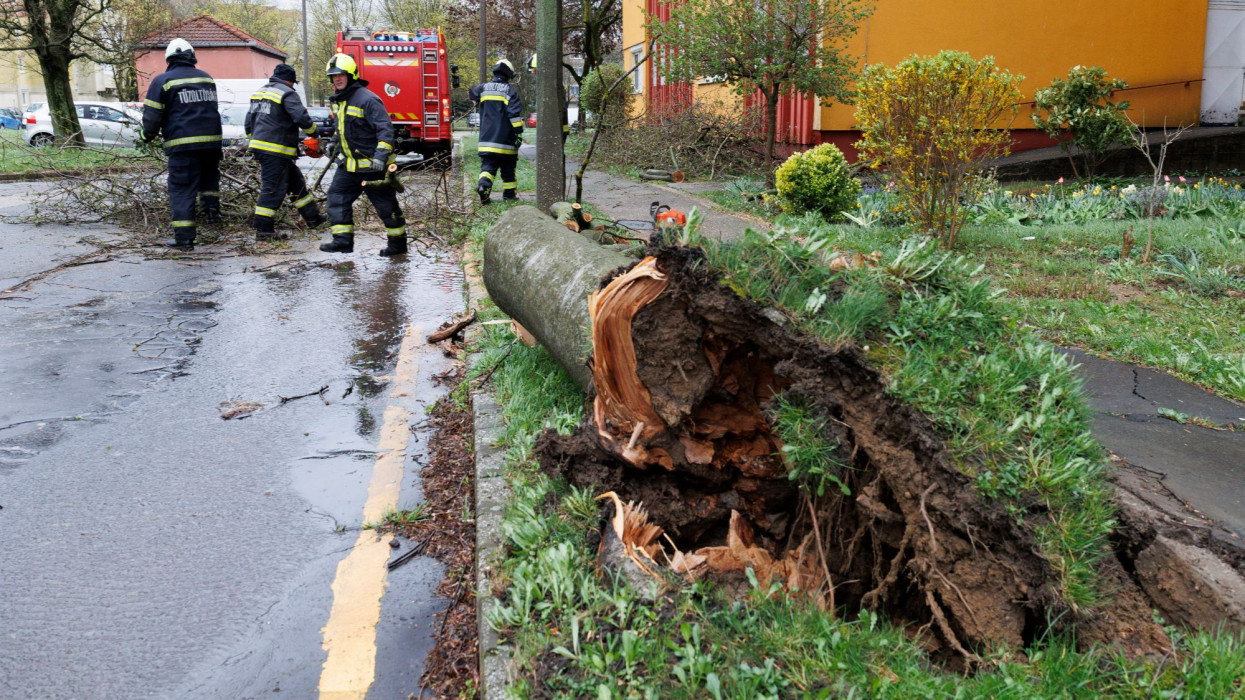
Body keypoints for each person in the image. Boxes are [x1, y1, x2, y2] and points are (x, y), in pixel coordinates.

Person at [319, 53, 408, 257]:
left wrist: (380, 157)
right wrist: (333, 142)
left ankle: (398, 245)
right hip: (349, 168)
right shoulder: (339, 101)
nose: (337, 79)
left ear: (351, 75)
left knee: (386, 207)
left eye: (341, 75)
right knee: (336, 198)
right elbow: (340, 128)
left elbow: (385, 130)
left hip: (372, 168)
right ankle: (342, 241)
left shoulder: (367, 99)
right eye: (333, 76)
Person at [141, 38, 223, 249]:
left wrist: (146, 136)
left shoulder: (163, 81)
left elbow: (152, 116)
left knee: (181, 189)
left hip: (183, 146)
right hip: (212, 144)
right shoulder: (206, 78)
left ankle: (184, 239)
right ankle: (212, 215)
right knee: (209, 179)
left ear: (168, 58)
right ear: (192, 56)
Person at [244, 64, 325, 240]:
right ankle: (263, 230)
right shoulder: (287, 93)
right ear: (290, 81)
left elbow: (248, 123)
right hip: (276, 150)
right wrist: (314, 134)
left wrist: (256, 143)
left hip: (266, 150)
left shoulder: (259, 93)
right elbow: (300, 117)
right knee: (273, 189)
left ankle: (313, 218)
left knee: (296, 185)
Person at [467, 59, 523, 204]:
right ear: (509, 74)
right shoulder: (510, 91)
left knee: (487, 168)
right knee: (508, 169)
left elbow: (472, 92)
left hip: (486, 140)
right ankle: (509, 195)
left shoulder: (483, 88)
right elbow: (514, 115)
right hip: (506, 141)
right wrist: (519, 133)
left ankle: (483, 188)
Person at [526, 54, 570, 142]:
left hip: (556, 130)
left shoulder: (552, 85)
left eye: (534, 70)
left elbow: (561, 108)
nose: (533, 73)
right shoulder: (549, 83)